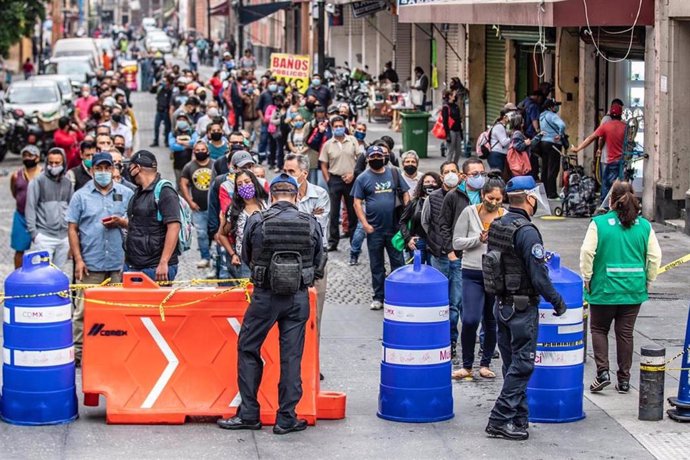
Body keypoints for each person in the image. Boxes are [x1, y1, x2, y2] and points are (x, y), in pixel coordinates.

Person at [217, 173, 324, 435]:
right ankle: (286, 418)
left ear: (272, 196)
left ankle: (250, 413)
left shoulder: (258, 220)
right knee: (291, 357)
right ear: (296, 196)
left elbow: (246, 255)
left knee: (248, 348)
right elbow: (320, 260)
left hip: (264, 296)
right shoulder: (310, 222)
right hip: (297, 297)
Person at [484, 175, 567, 441]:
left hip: (502, 305)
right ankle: (499, 419)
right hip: (521, 308)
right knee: (523, 365)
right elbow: (539, 275)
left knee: (513, 366)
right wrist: (558, 301)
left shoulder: (498, 225)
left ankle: (519, 419)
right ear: (530, 198)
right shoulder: (527, 231)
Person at [580, 181, 661, 394]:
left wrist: (587, 277)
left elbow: (587, 252)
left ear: (611, 200)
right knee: (625, 333)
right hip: (633, 290)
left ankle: (603, 372)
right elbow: (654, 257)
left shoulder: (599, 223)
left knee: (599, 329)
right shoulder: (644, 225)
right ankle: (624, 380)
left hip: (604, 288)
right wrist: (648, 281)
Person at [66, 152, 133, 366]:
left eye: (107, 168)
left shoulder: (126, 193)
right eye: (99, 168)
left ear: (114, 169)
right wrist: (78, 259)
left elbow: (136, 224)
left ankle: (114, 350)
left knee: (116, 310)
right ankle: (78, 353)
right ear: (92, 170)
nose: (103, 172)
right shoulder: (81, 196)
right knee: (83, 310)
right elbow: (72, 228)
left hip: (117, 263)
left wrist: (121, 222)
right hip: (90, 263)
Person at [451, 174, 506, 380]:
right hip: (471, 272)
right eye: (490, 198)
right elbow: (456, 243)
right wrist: (478, 239)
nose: (493, 203)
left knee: (491, 320)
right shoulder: (469, 212)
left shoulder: (505, 215)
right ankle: (466, 365)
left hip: (495, 274)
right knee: (470, 319)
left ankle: (485, 363)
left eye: (498, 200)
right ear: (482, 195)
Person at [352, 145, 410, 310]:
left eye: (379, 155)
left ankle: (399, 295)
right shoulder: (362, 178)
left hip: (394, 227)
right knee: (376, 265)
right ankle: (378, 297)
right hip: (374, 230)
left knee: (398, 263)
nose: (377, 158)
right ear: (368, 159)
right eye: (373, 156)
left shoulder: (394, 173)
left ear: (384, 157)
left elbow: (405, 192)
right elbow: (356, 203)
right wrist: (365, 224)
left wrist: (406, 213)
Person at [283, 153, 330, 340]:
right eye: (284, 171)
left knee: (315, 316)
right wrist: (308, 216)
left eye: (291, 171)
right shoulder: (280, 194)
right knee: (289, 315)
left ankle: (313, 365)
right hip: (288, 261)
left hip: (315, 260)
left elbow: (317, 230)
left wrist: (292, 221)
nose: (286, 175)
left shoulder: (320, 194)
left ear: (304, 173)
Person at [125, 150, 181, 281]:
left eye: (130, 167)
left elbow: (174, 227)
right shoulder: (138, 192)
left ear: (137, 168)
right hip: (134, 265)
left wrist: (163, 262)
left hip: (154, 267)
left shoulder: (165, 192)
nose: (128, 171)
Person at [25, 148, 74, 268]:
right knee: (42, 273)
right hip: (44, 236)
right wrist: (34, 234)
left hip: (63, 237)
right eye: (51, 162)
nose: (53, 165)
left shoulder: (67, 183)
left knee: (58, 273)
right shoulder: (38, 181)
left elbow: (72, 208)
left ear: (64, 163)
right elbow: (30, 208)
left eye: (57, 163)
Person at [571, 103, 626, 204]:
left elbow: (591, 138)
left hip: (612, 162)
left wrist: (578, 148)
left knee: (606, 185)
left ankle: (604, 207)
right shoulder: (625, 126)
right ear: (620, 114)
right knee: (622, 186)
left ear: (610, 113)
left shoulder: (606, 126)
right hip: (624, 162)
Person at [218, 170, 268, 280]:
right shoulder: (234, 210)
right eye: (239, 184)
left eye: (247, 182)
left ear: (254, 182)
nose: (244, 186)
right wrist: (233, 254)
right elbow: (222, 235)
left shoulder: (267, 204)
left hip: (267, 261)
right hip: (245, 263)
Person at [319, 116, 359, 252]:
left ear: (344, 126)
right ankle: (333, 241)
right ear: (332, 127)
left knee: (352, 211)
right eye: (335, 126)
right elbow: (323, 164)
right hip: (335, 179)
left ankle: (355, 240)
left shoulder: (352, 141)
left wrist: (354, 174)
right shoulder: (328, 144)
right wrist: (328, 180)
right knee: (334, 213)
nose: (338, 128)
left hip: (351, 179)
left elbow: (360, 159)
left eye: (340, 126)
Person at [180, 141, 214, 270]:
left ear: (207, 150)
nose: (200, 152)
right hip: (198, 207)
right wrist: (190, 201)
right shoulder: (189, 167)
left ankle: (215, 257)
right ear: (194, 152)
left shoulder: (214, 165)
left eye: (203, 149)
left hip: (213, 207)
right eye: (197, 150)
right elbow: (183, 183)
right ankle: (205, 257)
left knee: (214, 233)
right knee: (201, 233)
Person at [399, 172, 441, 265]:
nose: (431, 184)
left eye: (434, 182)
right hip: (418, 242)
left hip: (435, 243)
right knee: (417, 272)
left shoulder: (444, 201)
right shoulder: (414, 202)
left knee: (433, 272)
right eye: (427, 182)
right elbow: (402, 222)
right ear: (422, 185)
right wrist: (408, 238)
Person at [10, 145, 42, 268]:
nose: (27, 158)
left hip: (40, 216)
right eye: (25, 155)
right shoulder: (15, 175)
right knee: (19, 249)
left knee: (43, 248)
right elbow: (14, 193)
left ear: (37, 158)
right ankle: (18, 275)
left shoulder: (43, 174)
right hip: (21, 216)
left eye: (31, 155)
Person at [537, 99, 567, 199]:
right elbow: (562, 125)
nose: (556, 107)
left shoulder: (541, 116)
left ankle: (544, 191)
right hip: (553, 143)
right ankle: (552, 193)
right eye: (555, 105)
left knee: (545, 167)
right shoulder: (552, 115)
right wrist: (560, 134)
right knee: (553, 168)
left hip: (543, 143)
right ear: (550, 107)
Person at [168, 119, 198, 187]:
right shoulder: (173, 133)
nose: (184, 133)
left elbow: (195, 142)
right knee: (179, 183)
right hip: (178, 164)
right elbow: (172, 146)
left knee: (191, 183)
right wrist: (186, 146)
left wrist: (181, 142)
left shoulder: (192, 131)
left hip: (190, 163)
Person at [442, 89, 464, 164]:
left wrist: (461, 132)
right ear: (449, 96)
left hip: (457, 130)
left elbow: (459, 119)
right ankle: (448, 166)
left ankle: (455, 165)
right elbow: (445, 122)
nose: (455, 96)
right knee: (450, 150)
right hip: (451, 131)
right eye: (453, 95)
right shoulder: (446, 107)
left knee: (458, 150)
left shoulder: (456, 106)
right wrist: (447, 134)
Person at [152, 77, 173, 147]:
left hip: (165, 111)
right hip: (159, 110)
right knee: (156, 126)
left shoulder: (170, 91)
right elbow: (152, 90)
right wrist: (156, 84)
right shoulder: (160, 89)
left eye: (165, 81)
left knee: (167, 127)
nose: (163, 82)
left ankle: (167, 141)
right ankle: (156, 141)